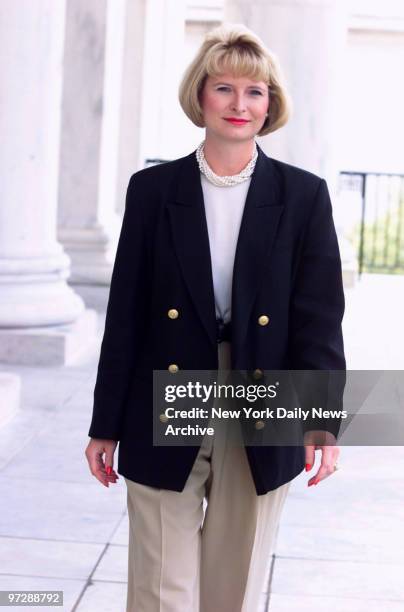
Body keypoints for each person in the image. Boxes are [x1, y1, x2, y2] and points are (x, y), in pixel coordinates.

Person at [85, 23, 345, 612]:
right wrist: (106, 423)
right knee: (159, 583)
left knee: (236, 578)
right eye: (224, 88)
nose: (240, 104)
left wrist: (323, 423)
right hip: (168, 386)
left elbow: (320, 319)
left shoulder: (303, 197)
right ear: (199, 96)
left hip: (261, 389)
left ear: (271, 104)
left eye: (255, 92)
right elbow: (126, 314)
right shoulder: (153, 191)